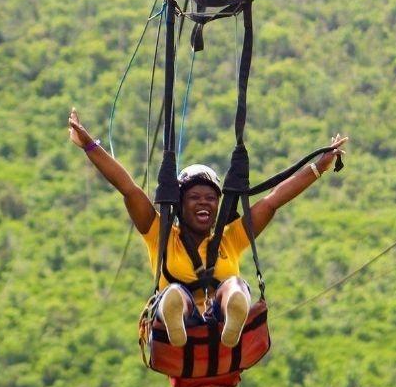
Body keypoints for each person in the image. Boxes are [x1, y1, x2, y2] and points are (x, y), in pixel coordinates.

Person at [68, 108, 347, 350]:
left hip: (221, 329)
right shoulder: (161, 236)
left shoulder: (229, 239)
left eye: (210, 198)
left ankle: (233, 309)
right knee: (175, 295)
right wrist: (90, 146)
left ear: (218, 205)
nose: (204, 203)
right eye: (194, 198)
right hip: (179, 325)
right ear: (180, 205)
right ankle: (176, 314)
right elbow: (128, 189)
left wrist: (318, 168)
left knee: (234, 286)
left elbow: (273, 201)